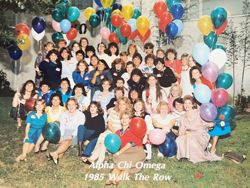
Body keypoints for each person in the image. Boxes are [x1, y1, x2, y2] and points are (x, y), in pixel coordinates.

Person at [176, 95, 221, 163]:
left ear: (192, 104)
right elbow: (180, 133)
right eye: (185, 103)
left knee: (190, 138)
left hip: (200, 135)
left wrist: (210, 125)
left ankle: (194, 157)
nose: (187, 105)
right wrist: (185, 133)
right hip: (188, 135)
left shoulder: (199, 113)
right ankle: (185, 156)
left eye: (189, 103)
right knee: (179, 139)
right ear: (183, 105)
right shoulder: (182, 117)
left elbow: (207, 123)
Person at [87, 97, 133, 164]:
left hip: (121, 134)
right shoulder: (113, 111)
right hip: (111, 131)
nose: (121, 106)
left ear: (127, 105)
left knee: (107, 140)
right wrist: (114, 132)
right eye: (120, 104)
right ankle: (95, 157)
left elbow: (128, 127)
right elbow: (109, 124)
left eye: (123, 104)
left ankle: (96, 157)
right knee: (103, 137)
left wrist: (118, 134)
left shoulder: (129, 114)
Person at [105, 112, 146, 185]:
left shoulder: (133, 130)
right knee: (118, 166)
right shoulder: (117, 132)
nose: (124, 120)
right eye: (122, 118)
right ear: (120, 120)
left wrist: (119, 152)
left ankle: (118, 179)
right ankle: (111, 179)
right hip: (124, 152)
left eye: (126, 118)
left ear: (130, 120)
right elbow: (115, 145)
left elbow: (131, 143)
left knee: (125, 166)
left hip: (135, 151)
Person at [49, 98, 86, 165]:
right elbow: (62, 126)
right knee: (63, 143)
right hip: (65, 132)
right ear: (67, 105)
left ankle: (55, 153)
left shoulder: (81, 115)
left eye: (72, 104)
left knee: (67, 141)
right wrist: (61, 135)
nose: (70, 106)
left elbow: (79, 128)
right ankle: (56, 156)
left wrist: (71, 135)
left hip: (75, 134)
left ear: (76, 105)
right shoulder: (64, 114)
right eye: (69, 104)